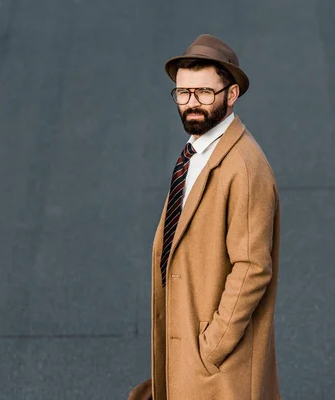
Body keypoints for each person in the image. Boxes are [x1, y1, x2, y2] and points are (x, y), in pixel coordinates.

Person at [128, 34, 282, 400]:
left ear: (231, 95)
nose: (191, 103)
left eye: (204, 92)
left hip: (215, 366)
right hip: (186, 348)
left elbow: (252, 267)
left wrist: (210, 347)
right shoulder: (196, 153)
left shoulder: (244, 168)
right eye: (183, 93)